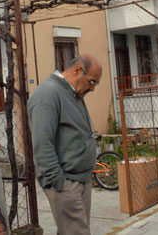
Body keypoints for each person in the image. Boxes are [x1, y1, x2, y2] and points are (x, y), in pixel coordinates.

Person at [28, 54, 103, 235]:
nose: (93, 89)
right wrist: (60, 183)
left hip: (80, 180)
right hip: (65, 183)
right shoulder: (48, 94)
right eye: (92, 82)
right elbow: (42, 145)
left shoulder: (73, 92)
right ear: (77, 70)